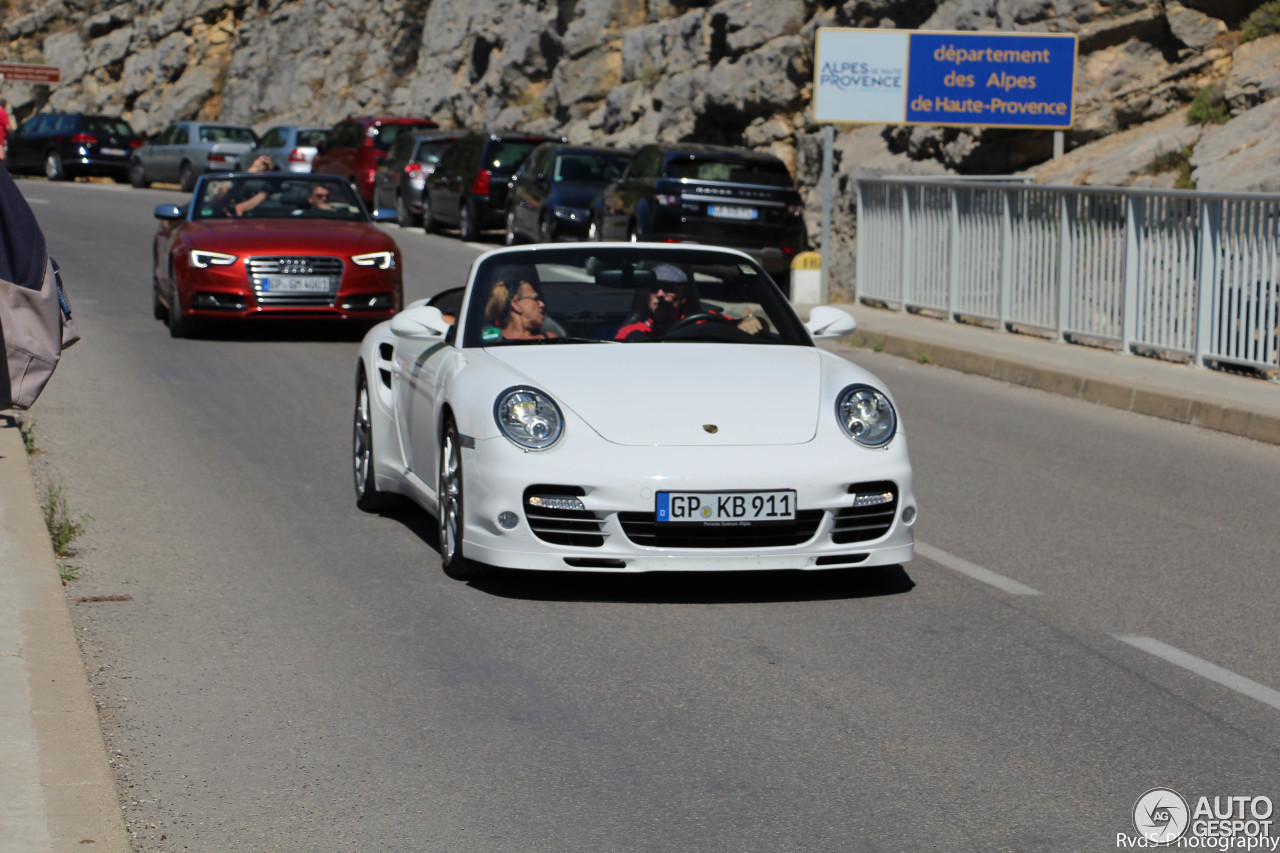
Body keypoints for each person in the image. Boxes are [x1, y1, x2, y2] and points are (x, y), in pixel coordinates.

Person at [613, 262, 763, 340]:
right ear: (647, 296)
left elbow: (744, 322)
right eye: (654, 288)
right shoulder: (631, 332)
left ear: (684, 296)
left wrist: (750, 320)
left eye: (669, 288)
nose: (660, 294)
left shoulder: (704, 322)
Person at [483, 278, 557, 340]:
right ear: (515, 305)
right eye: (535, 299)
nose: (542, 304)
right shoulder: (492, 340)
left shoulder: (550, 338)